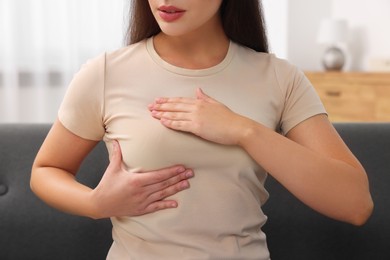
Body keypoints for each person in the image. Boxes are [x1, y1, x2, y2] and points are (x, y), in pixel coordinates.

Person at [31, 0, 374, 259]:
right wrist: (95, 203)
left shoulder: (279, 78)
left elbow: (355, 204)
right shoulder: (106, 72)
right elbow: (46, 170)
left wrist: (244, 130)